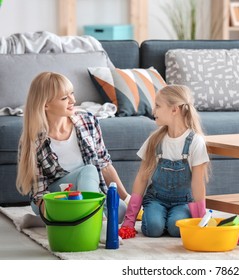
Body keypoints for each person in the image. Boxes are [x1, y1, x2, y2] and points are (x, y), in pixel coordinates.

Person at [16, 72, 130, 223]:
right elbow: (39, 193)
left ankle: (51, 222)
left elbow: (104, 165)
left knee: (120, 210)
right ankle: (94, 223)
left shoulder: (88, 122)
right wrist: (48, 211)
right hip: (55, 198)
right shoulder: (33, 141)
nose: (73, 100)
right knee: (89, 169)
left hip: (89, 192)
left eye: (72, 94)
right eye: (64, 98)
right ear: (45, 104)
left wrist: (128, 199)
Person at [119, 84, 210, 239]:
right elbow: (142, 178)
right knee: (154, 228)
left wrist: (201, 220)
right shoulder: (155, 140)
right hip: (156, 199)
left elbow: (197, 183)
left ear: (174, 110)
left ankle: (170, 221)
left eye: (158, 106)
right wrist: (129, 220)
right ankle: (159, 219)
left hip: (182, 202)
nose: (153, 111)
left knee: (176, 229)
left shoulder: (195, 142)